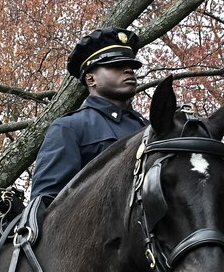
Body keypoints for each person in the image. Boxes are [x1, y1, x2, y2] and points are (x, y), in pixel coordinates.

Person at [30, 28, 149, 204]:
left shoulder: (150, 127)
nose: (128, 71)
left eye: (130, 66)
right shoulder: (70, 127)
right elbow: (46, 204)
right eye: (116, 66)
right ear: (91, 79)